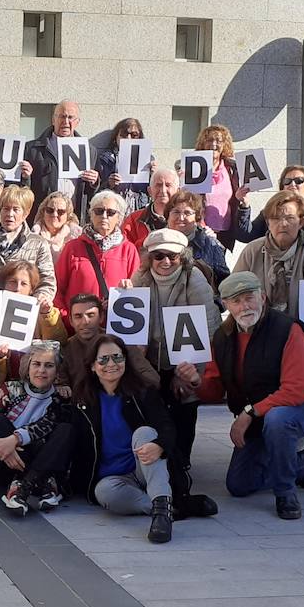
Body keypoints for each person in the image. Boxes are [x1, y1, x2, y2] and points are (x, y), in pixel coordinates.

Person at [198, 272, 304, 520]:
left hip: (299, 408)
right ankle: (302, 464)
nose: (244, 306)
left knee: (278, 420)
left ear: (263, 297)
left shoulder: (289, 329)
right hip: (257, 414)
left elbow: (296, 390)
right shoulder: (222, 337)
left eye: (249, 298)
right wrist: (192, 382)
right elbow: (214, 390)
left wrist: (249, 413)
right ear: (225, 305)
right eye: (236, 301)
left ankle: (285, 493)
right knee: (238, 485)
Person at [130, 229, 221, 518]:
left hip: (184, 360)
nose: (165, 262)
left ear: (182, 257)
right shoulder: (139, 280)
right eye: (159, 256)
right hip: (151, 359)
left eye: (172, 256)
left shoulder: (195, 281)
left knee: (185, 409)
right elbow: (130, 326)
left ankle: (181, 469)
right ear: (149, 258)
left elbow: (208, 330)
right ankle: (156, 470)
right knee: (152, 414)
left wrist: (192, 374)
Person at [71, 333, 178, 543]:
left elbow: (167, 427)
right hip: (114, 478)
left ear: (126, 361)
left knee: (144, 433)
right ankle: (166, 506)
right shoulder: (83, 399)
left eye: (117, 357)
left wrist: (159, 446)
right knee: (103, 493)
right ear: (92, 365)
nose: (111, 364)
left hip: (144, 466)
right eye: (103, 359)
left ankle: (161, 517)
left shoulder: (143, 391)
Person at [0, 340, 74, 514]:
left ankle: (23, 486)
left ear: (57, 371)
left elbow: (46, 425)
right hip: (3, 463)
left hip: (38, 459)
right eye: (37, 364)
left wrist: (15, 439)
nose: (41, 370)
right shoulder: (6, 390)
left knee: (67, 429)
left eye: (49, 365)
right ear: (27, 366)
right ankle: (44, 484)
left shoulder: (60, 398)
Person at [0, 261, 70, 388]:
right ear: (4, 285)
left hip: (39, 385)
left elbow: (58, 343)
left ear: (32, 289)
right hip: (4, 386)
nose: (17, 288)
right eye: (12, 282)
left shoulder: (44, 311)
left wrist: (47, 315)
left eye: (24, 283)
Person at [234, 191, 304, 314]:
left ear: (301, 222)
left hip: (299, 327)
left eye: (290, 218)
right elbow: (233, 291)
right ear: (268, 223)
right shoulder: (252, 251)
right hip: (257, 326)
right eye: (276, 218)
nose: (283, 224)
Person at [53, 190, 139, 316]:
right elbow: (57, 289)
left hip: (114, 328)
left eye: (110, 212)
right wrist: (68, 319)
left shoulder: (128, 250)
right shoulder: (73, 247)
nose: (104, 216)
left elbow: (137, 292)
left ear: (119, 218)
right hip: (78, 328)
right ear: (91, 214)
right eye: (99, 211)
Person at [0, 185, 56, 305]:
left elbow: (47, 282)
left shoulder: (39, 244)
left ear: (25, 214)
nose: (10, 214)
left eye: (16, 209)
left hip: (23, 312)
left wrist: (38, 300)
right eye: (6, 209)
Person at [61, 292, 160, 394]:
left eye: (91, 315)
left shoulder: (119, 342)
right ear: (71, 321)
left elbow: (152, 379)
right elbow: (59, 383)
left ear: (101, 317)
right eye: (78, 316)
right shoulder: (66, 349)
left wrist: (120, 386)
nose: (85, 322)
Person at [25, 99, 97, 217]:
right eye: (62, 116)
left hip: (75, 217)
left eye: (70, 117)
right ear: (53, 119)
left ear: (78, 122)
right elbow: (26, 187)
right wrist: (26, 176)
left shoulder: (89, 150)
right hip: (44, 217)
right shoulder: (32, 148)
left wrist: (94, 182)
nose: (66, 121)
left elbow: (91, 193)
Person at [194, 124, 252, 250]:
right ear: (202, 144)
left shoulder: (232, 168)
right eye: (209, 140)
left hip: (225, 231)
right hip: (199, 230)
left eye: (219, 141)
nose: (214, 144)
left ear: (224, 145)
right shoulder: (194, 166)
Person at [161, 190, 230, 293]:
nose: (181, 218)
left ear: (197, 217)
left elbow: (224, 282)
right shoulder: (156, 242)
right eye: (176, 212)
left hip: (202, 304)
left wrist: (215, 305)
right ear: (168, 215)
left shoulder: (210, 244)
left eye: (187, 213)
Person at [94, 118, 152, 215]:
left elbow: (151, 190)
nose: (128, 138)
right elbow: (95, 190)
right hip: (114, 207)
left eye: (134, 135)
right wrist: (109, 183)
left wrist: (153, 174)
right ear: (116, 137)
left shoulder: (148, 159)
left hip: (139, 207)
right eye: (124, 135)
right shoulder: (105, 159)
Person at [245, 165, 304, 243]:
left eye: (299, 181)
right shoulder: (271, 210)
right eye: (287, 181)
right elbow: (248, 236)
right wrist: (244, 206)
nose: (293, 184)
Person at [121, 167, 180, 248]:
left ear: (178, 191)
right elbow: (125, 250)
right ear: (149, 191)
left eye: (168, 185)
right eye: (158, 185)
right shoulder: (133, 220)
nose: (163, 190)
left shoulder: (184, 220)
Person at [31, 190, 81, 260]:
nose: (55, 215)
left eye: (60, 212)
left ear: (68, 215)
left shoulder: (77, 238)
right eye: (50, 210)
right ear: (43, 212)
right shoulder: (32, 236)